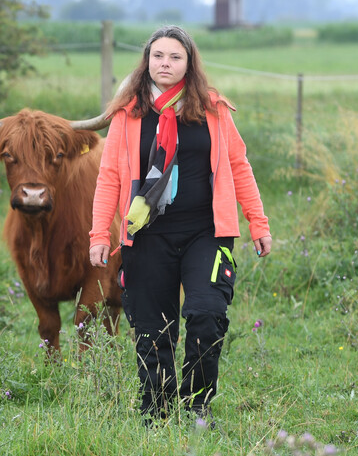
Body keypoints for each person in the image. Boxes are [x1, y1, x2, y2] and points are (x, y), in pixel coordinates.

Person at [89, 25, 272, 426]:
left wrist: (258, 223)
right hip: (146, 234)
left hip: (206, 232)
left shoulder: (212, 110)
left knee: (207, 313)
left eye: (175, 57)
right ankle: (156, 414)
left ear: (189, 63)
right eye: (158, 57)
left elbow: (239, 166)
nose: (165, 64)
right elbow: (109, 178)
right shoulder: (127, 114)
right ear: (147, 62)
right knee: (153, 330)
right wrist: (99, 233)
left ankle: (196, 406)